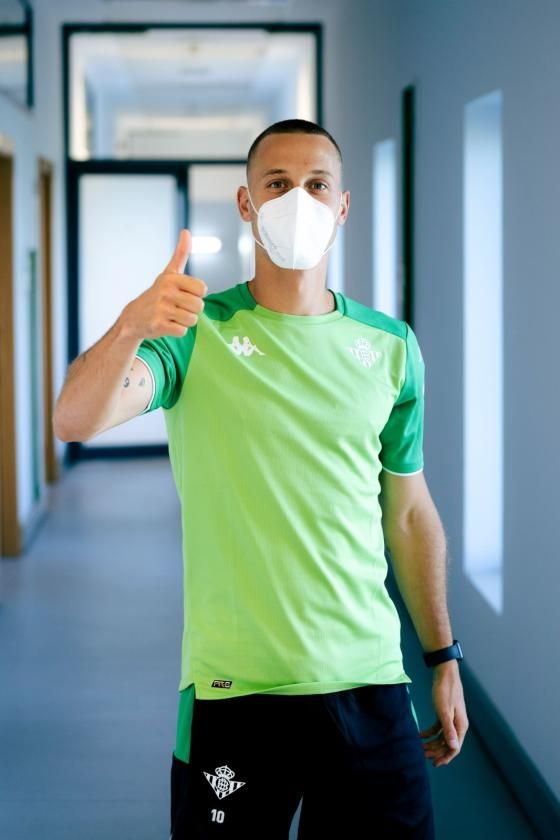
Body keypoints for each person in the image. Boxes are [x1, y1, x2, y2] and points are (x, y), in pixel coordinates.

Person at [53, 118, 469, 838]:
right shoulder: (194, 334)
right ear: (247, 203)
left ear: (342, 206)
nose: (298, 200)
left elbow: (408, 514)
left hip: (369, 681)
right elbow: (73, 420)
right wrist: (130, 327)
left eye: (317, 184)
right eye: (277, 184)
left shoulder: (391, 348)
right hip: (233, 692)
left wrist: (442, 655)